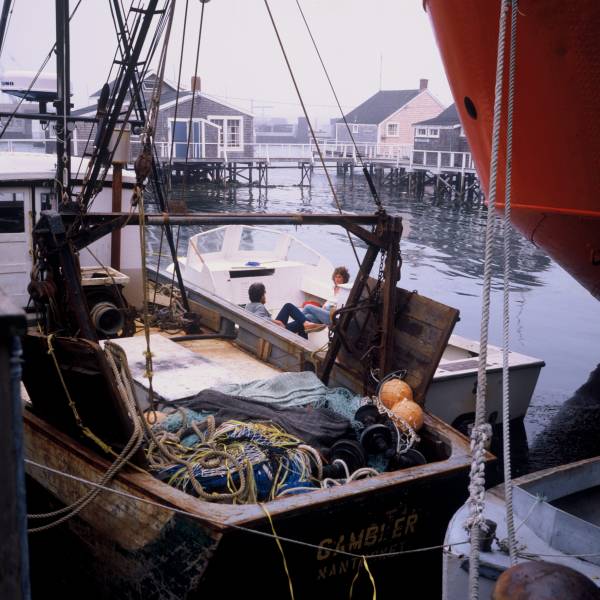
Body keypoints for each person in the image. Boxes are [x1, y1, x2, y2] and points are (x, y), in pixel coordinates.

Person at [245, 282, 311, 339]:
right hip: (273, 334)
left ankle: (306, 323)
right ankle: (306, 324)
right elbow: (258, 318)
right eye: (264, 294)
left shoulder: (248, 305)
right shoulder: (260, 306)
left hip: (270, 331)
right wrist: (277, 322)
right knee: (291, 310)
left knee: (289, 308)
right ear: (262, 296)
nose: (265, 296)